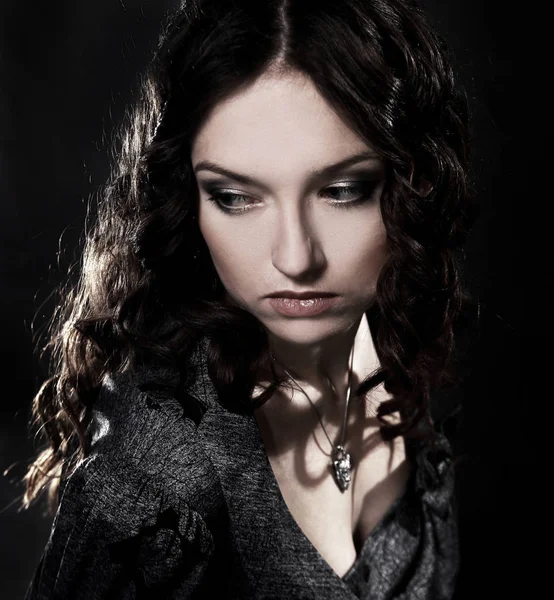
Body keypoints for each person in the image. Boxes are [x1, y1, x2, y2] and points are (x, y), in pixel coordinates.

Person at [22, 0, 481, 597]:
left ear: (413, 184)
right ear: (188, 201)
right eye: (236, 197)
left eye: (342, 190)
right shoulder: (159, 470)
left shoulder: (383, 351)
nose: (295, 258)